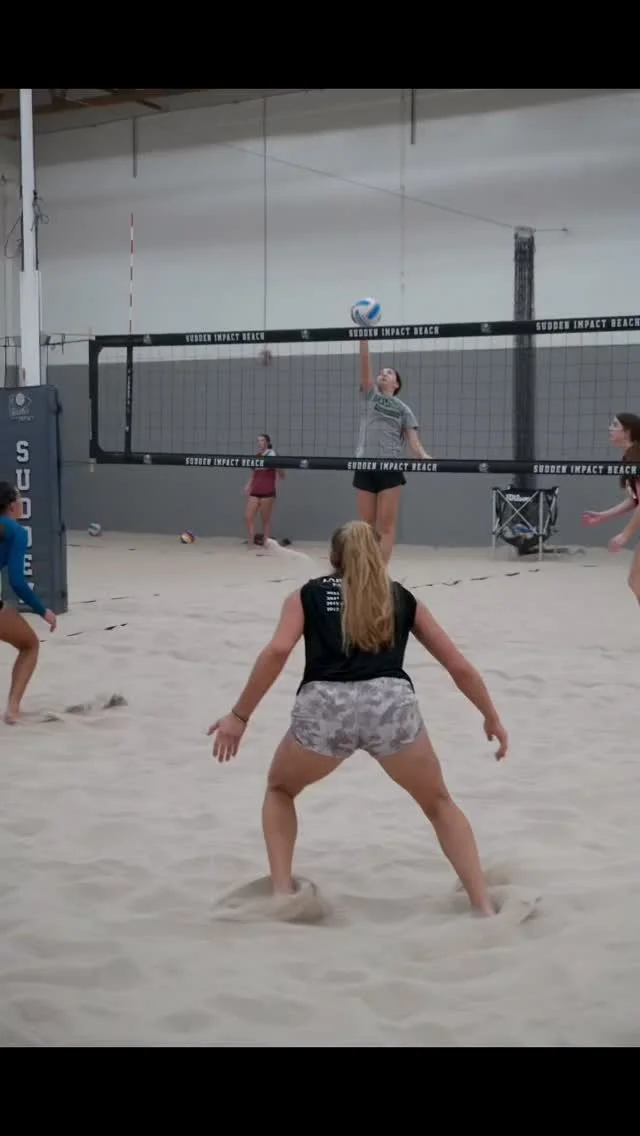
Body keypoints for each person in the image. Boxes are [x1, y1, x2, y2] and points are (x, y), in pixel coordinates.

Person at [208, 519, 508, 917]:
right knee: (438, 803)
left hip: (326, 707)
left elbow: (278, 651)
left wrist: (239, 716)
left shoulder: (307, 595)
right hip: (390, 705)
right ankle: (483, 905)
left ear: (333, 557)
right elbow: (458, 665)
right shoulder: (401, 597)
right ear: (378, 555)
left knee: (280, 790)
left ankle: (283, 894)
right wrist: (490, 716)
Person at [352, 341, 431, 564]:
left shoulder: (404, 409)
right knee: (366, 527)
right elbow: (365, 368)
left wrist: (423, 456)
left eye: (389, 373)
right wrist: (363, 337)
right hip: (365, 465)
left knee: (386, 527)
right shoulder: (370, 396)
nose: (383, 374)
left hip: (390, 467)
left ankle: (381, 572)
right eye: (381, 372)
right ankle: (365, 570)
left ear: (396, 384)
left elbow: (414, 442)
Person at [0, 482, 57, 724]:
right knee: (30, 645)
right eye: (20, 498)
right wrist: (43, 610)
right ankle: (12, 709)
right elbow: (17, 582)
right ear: (12, 505)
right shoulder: (16, 532)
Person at [582, 412, 640, 604]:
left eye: (615, 425)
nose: (610, 428)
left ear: (627, 432)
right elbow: (635, 500)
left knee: (636, 581)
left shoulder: (636, 457)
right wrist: (603, 516)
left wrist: (624, 535)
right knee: (635, 582)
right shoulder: (630, 456)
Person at [244, 433, 285, 548]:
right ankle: (251, 543)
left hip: (267, 491)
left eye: (262, 440)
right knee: (248, 517)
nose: (259, 443)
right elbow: (254, 474)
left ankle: (266, 544)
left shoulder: (273, 455)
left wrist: (278, 466)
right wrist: (248, 485)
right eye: (258, 441)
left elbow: (282, 474)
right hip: (255, 490)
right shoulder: (257, 456)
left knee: (265, 520)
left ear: (267, 442)